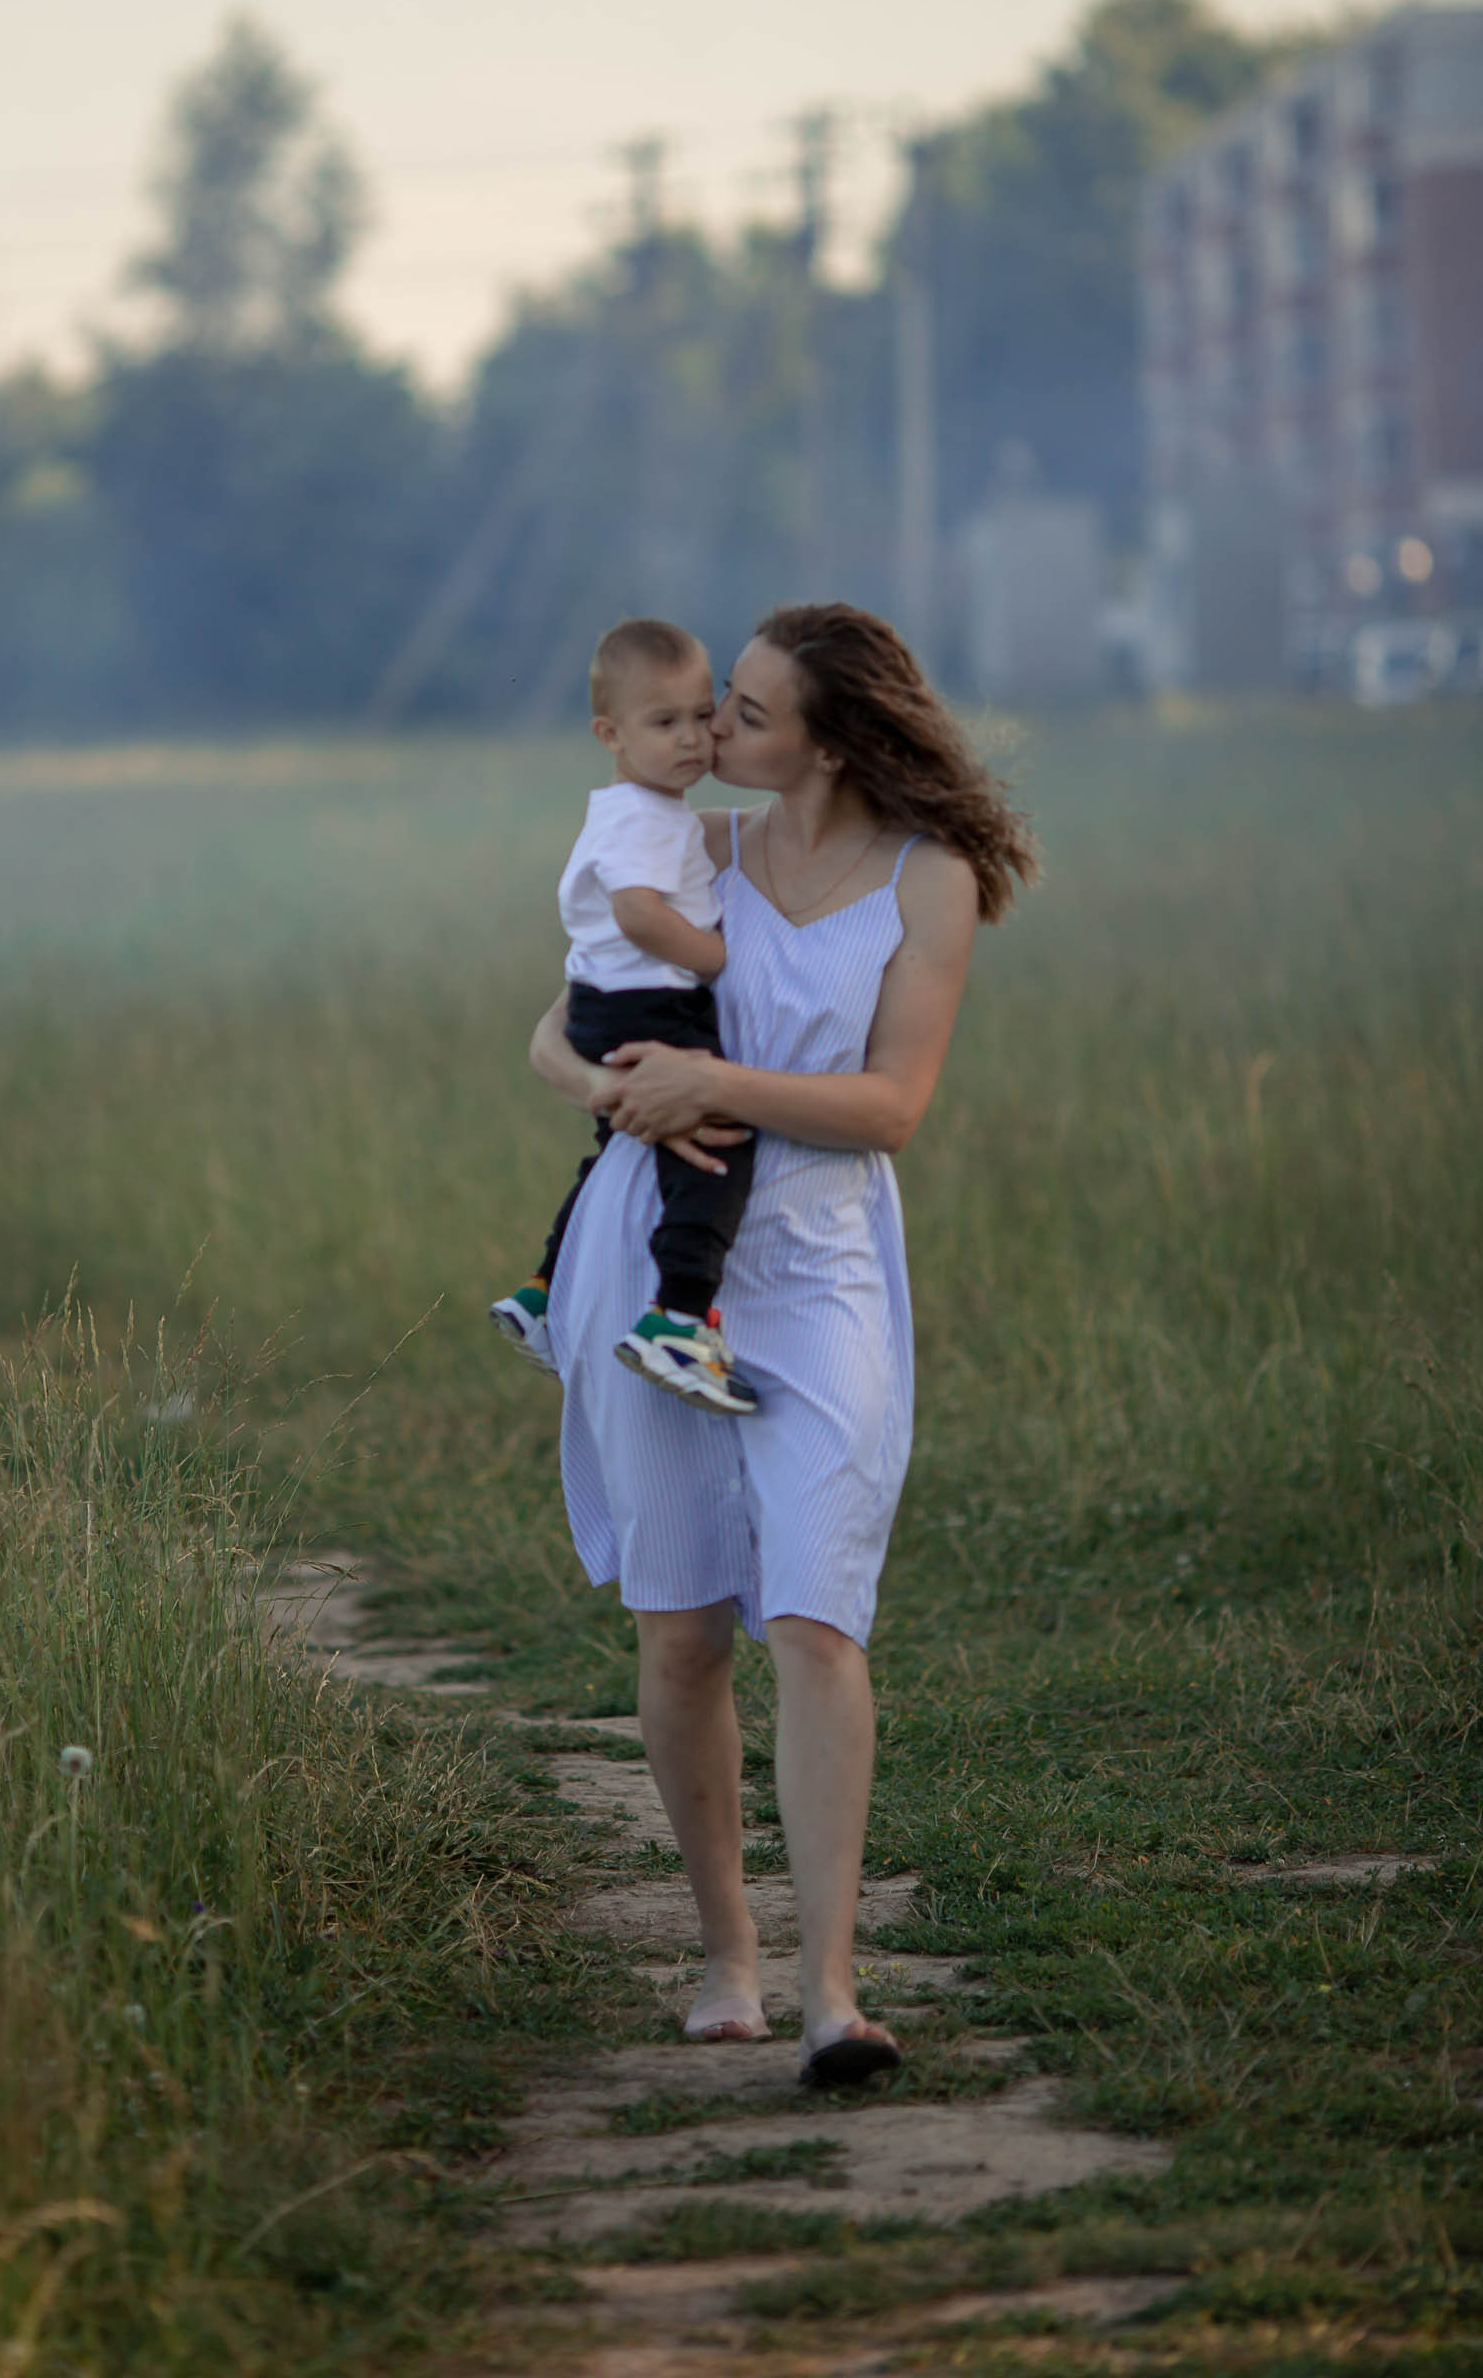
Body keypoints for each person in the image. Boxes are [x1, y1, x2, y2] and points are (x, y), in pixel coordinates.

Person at [528, 603, 1035, 2088]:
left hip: (820, 1269)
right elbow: (550, 1035)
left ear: (827, 741)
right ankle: (727, 1956)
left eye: (743, 713)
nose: (710, 730)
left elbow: (890, 1109)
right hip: (655, 1252)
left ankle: (832, 1993)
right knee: (683, 1631)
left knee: (816, 1618)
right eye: (709, 708)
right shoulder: (688, 850)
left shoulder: (928, 879)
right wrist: (612, 1091)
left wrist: (713, 1080)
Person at [490, 617, 759, 1416]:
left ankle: (544, 1291)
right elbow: (639, 914)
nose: (693, 738)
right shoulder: (641, 816)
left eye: (701, 714)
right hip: (652, 1004)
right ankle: (679, 1317)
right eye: (664, 722)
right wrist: (712, 957)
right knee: (717, 1149)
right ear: (610, 734)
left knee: (615, 1152)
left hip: (607, 1004)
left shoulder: (643, 809)